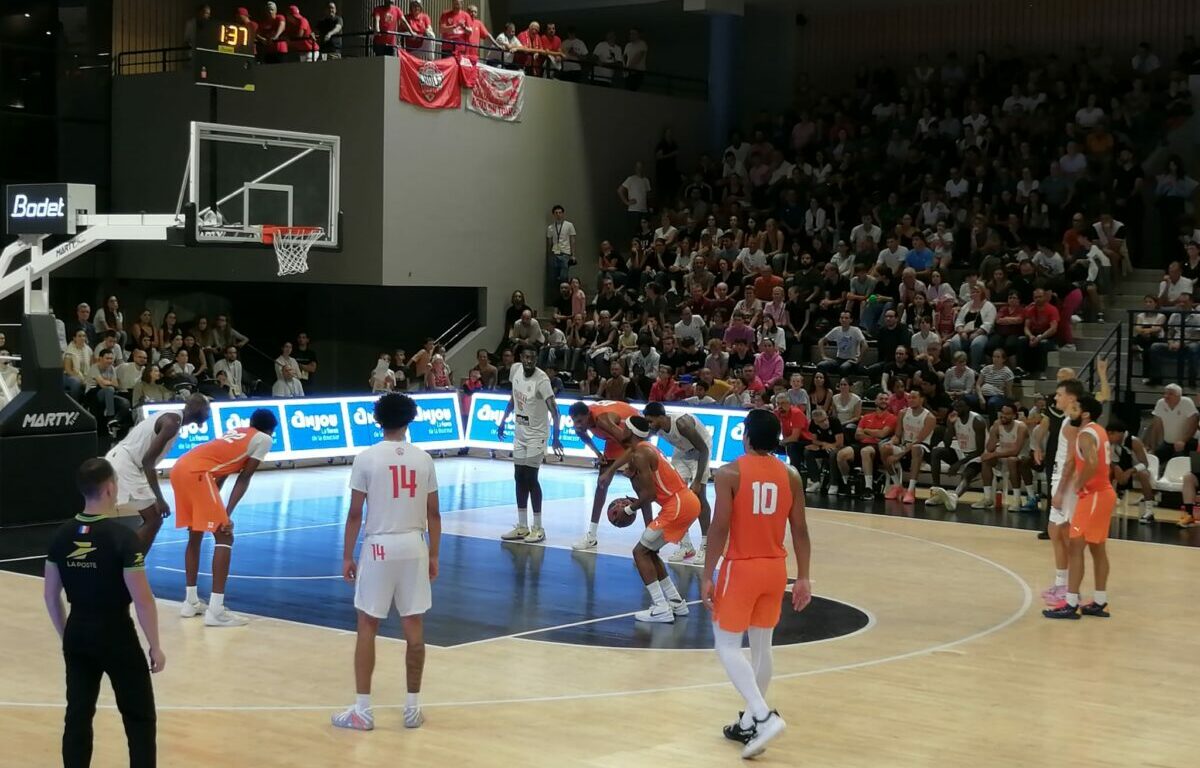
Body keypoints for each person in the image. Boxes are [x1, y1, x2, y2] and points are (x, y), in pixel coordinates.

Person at [702, 409, 809, 758]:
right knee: (763, 647)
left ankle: (763, 716)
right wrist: (804, 576)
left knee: (726, 645)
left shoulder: (729, 472)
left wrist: (707, 573)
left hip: (742, 568)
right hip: (776, 569)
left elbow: (719, 528)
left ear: (745, 435)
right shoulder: (790, 474)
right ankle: (749, 722)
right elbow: (800, 530)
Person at [45, 459, 164, 768]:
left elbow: (50, 594)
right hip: (116, 635)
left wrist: (65, 634)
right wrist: (155, 644)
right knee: (139, 715)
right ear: (111, 488)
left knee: (78, 714)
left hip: (78, 631)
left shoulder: (60, 535)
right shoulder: (123, 538)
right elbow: (143, 600)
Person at [332, 394, 440, 731]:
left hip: (379, 546)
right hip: (414, 544)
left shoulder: (366, 458)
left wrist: (348, 554)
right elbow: (434, 514)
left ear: (378, 419)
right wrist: (434, 553)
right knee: (414, 627)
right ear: (409, 419)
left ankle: (362, 710)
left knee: (368, 625)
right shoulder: (424, 459)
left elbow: (354, 514)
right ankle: (412, 707)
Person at [172, 409, 278, 627]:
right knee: (225, 537)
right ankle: (216, 611)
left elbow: (220, 471)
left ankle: (191, 601)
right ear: (270, 429)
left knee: (195, 534)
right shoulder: (264, 439)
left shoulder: (237, 431)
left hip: (180, 469)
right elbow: (244, 477)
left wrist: (216, 507)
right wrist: (226, 514)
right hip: (198, 474)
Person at [607, 416, 700, 622]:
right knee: (650, 552)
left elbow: (648, 495)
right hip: (685, 502)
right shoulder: (644, 448)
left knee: (639, 552)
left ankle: (660, 607)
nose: (620, 429)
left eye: (623, 427)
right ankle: (675, 602)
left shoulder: (640, 453)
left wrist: (629, 510)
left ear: (630, 432)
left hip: (677, 505)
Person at [104, 395, 211, 550]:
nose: (208, 412)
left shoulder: (174, 418)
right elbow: (148, 461)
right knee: (154, 519)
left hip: (126, 462)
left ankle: (129, 561)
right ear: (196, 408)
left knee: (152, 518)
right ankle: (129, 563)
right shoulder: (172, 422)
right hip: (126, 464)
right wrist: (160, 499)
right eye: (206, 408)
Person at [1044, 395, 1116, 619]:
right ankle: (1100, 600)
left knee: (1076, 548)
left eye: (1074, 408)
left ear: (1084, 413)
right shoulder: (1098, 430)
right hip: (1103, 495)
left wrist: (1078, 483)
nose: (1069, 411)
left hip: (1094, 495)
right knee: (1097, 548)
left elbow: (1093, 463)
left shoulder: (1085, 435)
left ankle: (1071, 602)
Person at [497, 344, 564, 544]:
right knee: (519, 476)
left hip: (537, 435)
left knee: (531, 477)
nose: (529, 361)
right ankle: (522, 525)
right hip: (519, 433)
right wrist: (503, 420)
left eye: (533, 358)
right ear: (521, 357)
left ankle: (538, 526)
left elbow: (555, 410)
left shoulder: (542, 380)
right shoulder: (515, 370)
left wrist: (556, 437)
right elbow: (513, 398)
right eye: (526, 357)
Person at [643, 402, 712, 563]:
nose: (649, 425)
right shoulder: (655, 426)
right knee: (676, 499)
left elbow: (704, 450)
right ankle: (686, 546)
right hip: (682, 452)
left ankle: (706, 545)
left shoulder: (682, 424)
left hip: (701, 452)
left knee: (700, 496)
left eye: (651, 421)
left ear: (661, 417)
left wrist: (697, 480)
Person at [568, 400, 639, 550]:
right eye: (575, 421)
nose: (578, 424)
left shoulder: (603, 420)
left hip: (631, 433)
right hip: (613, 437)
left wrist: (625, 467)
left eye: (580, 421)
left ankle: (649, 538)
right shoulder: (581, 423)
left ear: (588, 415)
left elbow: (631, 447)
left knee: (642, 486)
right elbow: (582, 433)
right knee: (601, 484)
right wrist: (598, 454)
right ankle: (591, 536)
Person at [927, 398, 987, 510]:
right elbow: (946, 443)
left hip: (978, 456)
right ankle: (937, 492)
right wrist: (950, 425)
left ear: (968, 407)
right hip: (962, 453)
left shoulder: (977, 421)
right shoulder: (953, 418)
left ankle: (954, 497)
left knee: (967, 474)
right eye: (955, 405)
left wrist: (958, 463)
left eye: (960, 406)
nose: (956, 408)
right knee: (936, 451)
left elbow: (980, 450)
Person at [879, 388, 936, 503]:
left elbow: (919, 440)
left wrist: (898, 455)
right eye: (909, 397)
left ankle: (910, 490)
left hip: (923, 449)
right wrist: (891, 442)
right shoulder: (903, 413)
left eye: (914, 397)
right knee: (884, 448)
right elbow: (898, 435)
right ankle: (897, 485)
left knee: (915, 448)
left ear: (922, 399)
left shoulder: (930, 418)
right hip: (905, 446)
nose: (910, 400)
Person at [970, 402, 1030, 509]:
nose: (1003, 416)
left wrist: (995, 454)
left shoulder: (1021, 427)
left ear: (1014, 415)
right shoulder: (997, 425)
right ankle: (987, 498)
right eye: (1002, 413)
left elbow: (1015, 451)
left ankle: (1017, 500)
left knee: (1011, 460)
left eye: (1007, 414)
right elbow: (989, 448)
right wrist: (994, 432)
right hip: (1002, 457)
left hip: (1021, 457)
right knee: (986, 459)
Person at [1105, 419, 1157, 524]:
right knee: (1107, 471)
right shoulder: (1111, 444)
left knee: (1143, 474)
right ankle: (1106, 504)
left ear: (1121, 433)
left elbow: (1145, 463)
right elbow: (1112, 461)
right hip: (1124, 467)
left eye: (1112, 434)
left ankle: (1149, 511)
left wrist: (1130, 471)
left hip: (1139, 468)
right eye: (1108, 434)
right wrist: (1116, 468)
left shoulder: (1134, 441)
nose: (1109, 437)